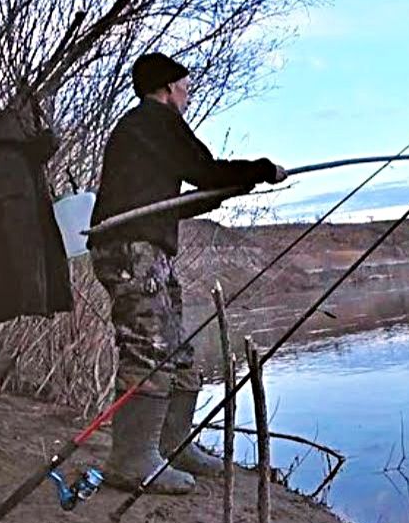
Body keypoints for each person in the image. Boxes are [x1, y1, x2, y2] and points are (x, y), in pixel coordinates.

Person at [88, 52, 287, 494]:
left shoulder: (146, 129)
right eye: (185, 87)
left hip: (146, 248)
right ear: (166, 88)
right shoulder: (154, 120)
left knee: (176, 348)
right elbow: (204, 170)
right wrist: (261, 170)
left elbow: (188, 194)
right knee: (149, 347)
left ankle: (174, 445)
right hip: (129, 250)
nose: (188, 95)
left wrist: (233, 186)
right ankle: (132, 460)